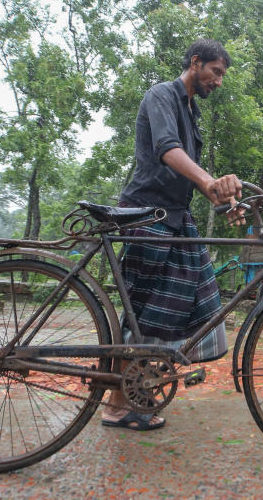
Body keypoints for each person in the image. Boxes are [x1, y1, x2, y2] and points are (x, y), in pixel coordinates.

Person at [101, 38, 243, 431]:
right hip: (147, 215)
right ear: (195, 63)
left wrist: (225, 201)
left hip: (176, 218)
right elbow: (167, 149)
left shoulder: (190, 110)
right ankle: (118, 403)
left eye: (221, 76)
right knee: (144, 314)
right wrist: (211, 180)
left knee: (194, 301)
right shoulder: (161, 95)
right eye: (215, 72)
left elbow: (193, 175)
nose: (218, 81)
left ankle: (132, 393)